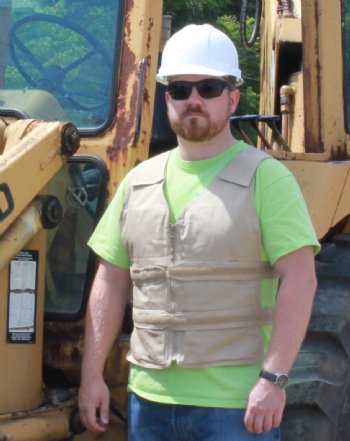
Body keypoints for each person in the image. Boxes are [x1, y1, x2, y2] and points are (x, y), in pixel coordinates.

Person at [78, 23, 319, 441]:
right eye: (180, 88)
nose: (193, 100)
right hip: (147, 402)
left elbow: (301, 278)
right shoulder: (138, 183)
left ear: (232, 98)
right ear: (166, 98)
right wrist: (91, 376)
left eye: (208, 87)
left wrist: (274, 379)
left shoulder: (267, 179)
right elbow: (111, 281)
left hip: (238, 409)